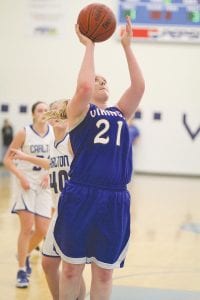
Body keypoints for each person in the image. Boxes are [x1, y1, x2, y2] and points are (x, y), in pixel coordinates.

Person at [53, 16, 145, 299]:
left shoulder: (120, 113)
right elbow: (82, 88)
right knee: (71, 270)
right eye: (97, 79)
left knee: (104, 273)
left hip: (115, 198)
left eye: (105, 80)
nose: (102, 81)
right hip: (82, 193)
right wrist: (89, 46)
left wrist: (127, 46)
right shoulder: (78, 113)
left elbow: (139, 87)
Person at [10, 100, 86, 300]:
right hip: (59, 212)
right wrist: (25, 158)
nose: (58, 117)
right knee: (48, 264)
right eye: (55, 113)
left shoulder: (73, 140)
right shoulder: (53, 142)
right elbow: (51, 163)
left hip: (75, 212)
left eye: (63, 113)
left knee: (72, 269)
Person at [3, 101, 54, 288]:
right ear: (33, 114)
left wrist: (49, 174)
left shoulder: (54, 134)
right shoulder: (24, 132)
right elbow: (7, 160)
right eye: (40, 110)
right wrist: (20, 176)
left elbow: (55, 160)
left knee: (42, 230)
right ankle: (21, 270)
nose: (43, 113)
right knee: (27, 227)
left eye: (46, 110)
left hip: (44, 185)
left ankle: (23, 253)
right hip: (26, 183)